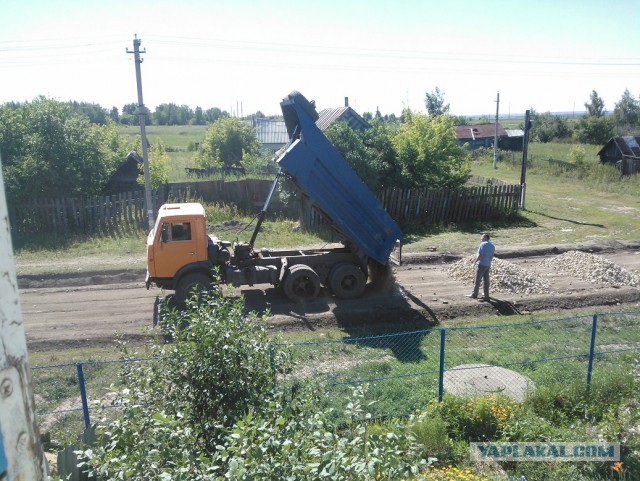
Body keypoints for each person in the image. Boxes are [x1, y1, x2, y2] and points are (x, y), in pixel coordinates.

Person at [467, 233, 495, 300]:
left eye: (482, 237)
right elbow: (492, 256)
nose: (481, 239)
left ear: (485, 237)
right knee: (486, 280)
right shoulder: (492, 245)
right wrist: (489, 262)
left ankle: (474, 294)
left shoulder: (482, 244)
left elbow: (481, 255)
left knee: (477, 280)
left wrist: (475, 262)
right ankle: (486, 295)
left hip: (482, 264)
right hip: (488, 264)